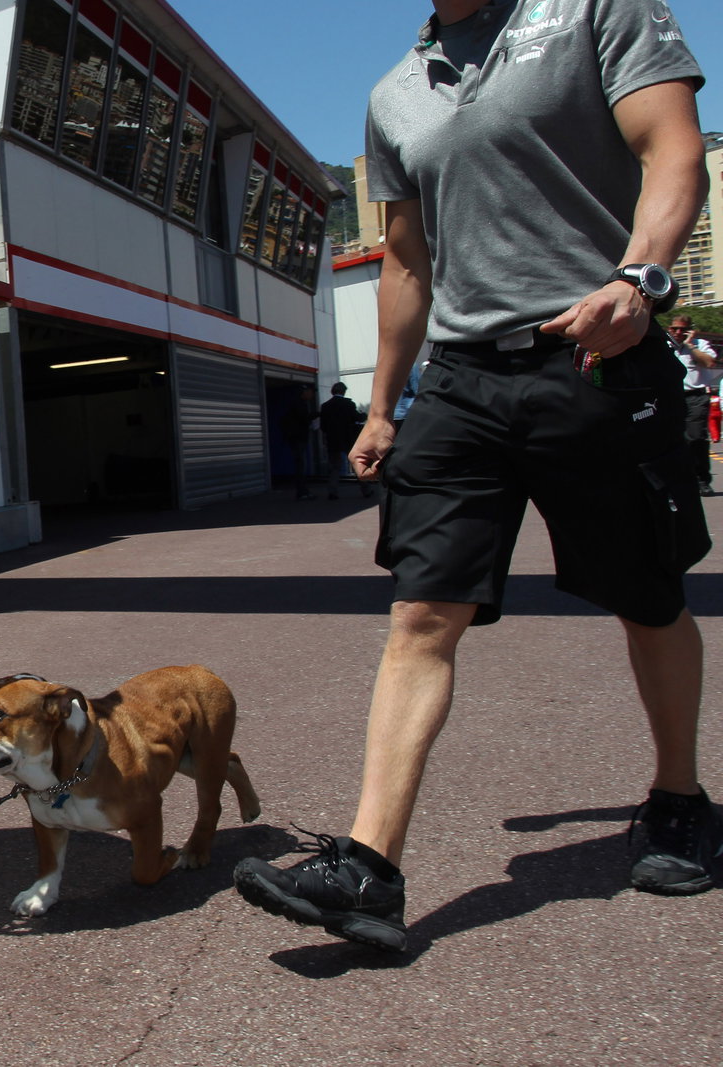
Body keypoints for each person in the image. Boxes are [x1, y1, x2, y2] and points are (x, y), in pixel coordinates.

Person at [233, 0, 719, 953]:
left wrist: (644, 279)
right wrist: (381, 407)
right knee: (421, 611)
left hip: (594, 353)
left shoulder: (590, 10)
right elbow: (408, 261)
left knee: (648, 594)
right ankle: (368, 869)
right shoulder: (394, 95)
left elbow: (674, 149)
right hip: (460, 381)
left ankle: (678, 799)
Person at [668, 314, 719, 496]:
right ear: (669, 329)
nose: (678, 332)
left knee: (696, 438)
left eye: (683, 329)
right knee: (671, 439)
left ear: (690, 330)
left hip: (696, 397)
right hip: (671, 397)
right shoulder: (664, 346)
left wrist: (690, 345)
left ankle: (701, 479)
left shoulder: (700, 345)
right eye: (675, 328)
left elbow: (710, 362)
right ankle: (677, 479)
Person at [318, 382, 371, 500]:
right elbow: (357, 417)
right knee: (356, 464)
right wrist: (364, 415)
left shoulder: (325, 406)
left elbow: (323, 426)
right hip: (348, 439)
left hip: (333, 441)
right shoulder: (349, 404)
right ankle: (366, 490)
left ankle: (333, 491)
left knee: (334, 467)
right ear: (344, 391)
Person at [281, 385, 318, 500]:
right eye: (311, 392)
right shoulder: (299, 404)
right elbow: (303, 418)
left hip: (296, 438)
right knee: (300, 464)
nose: (312, 396)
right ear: (305, 392)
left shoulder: (297, 403)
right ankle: (302, 492)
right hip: (298, 438)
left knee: (300, 464)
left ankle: (303, 491)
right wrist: (316, 414)